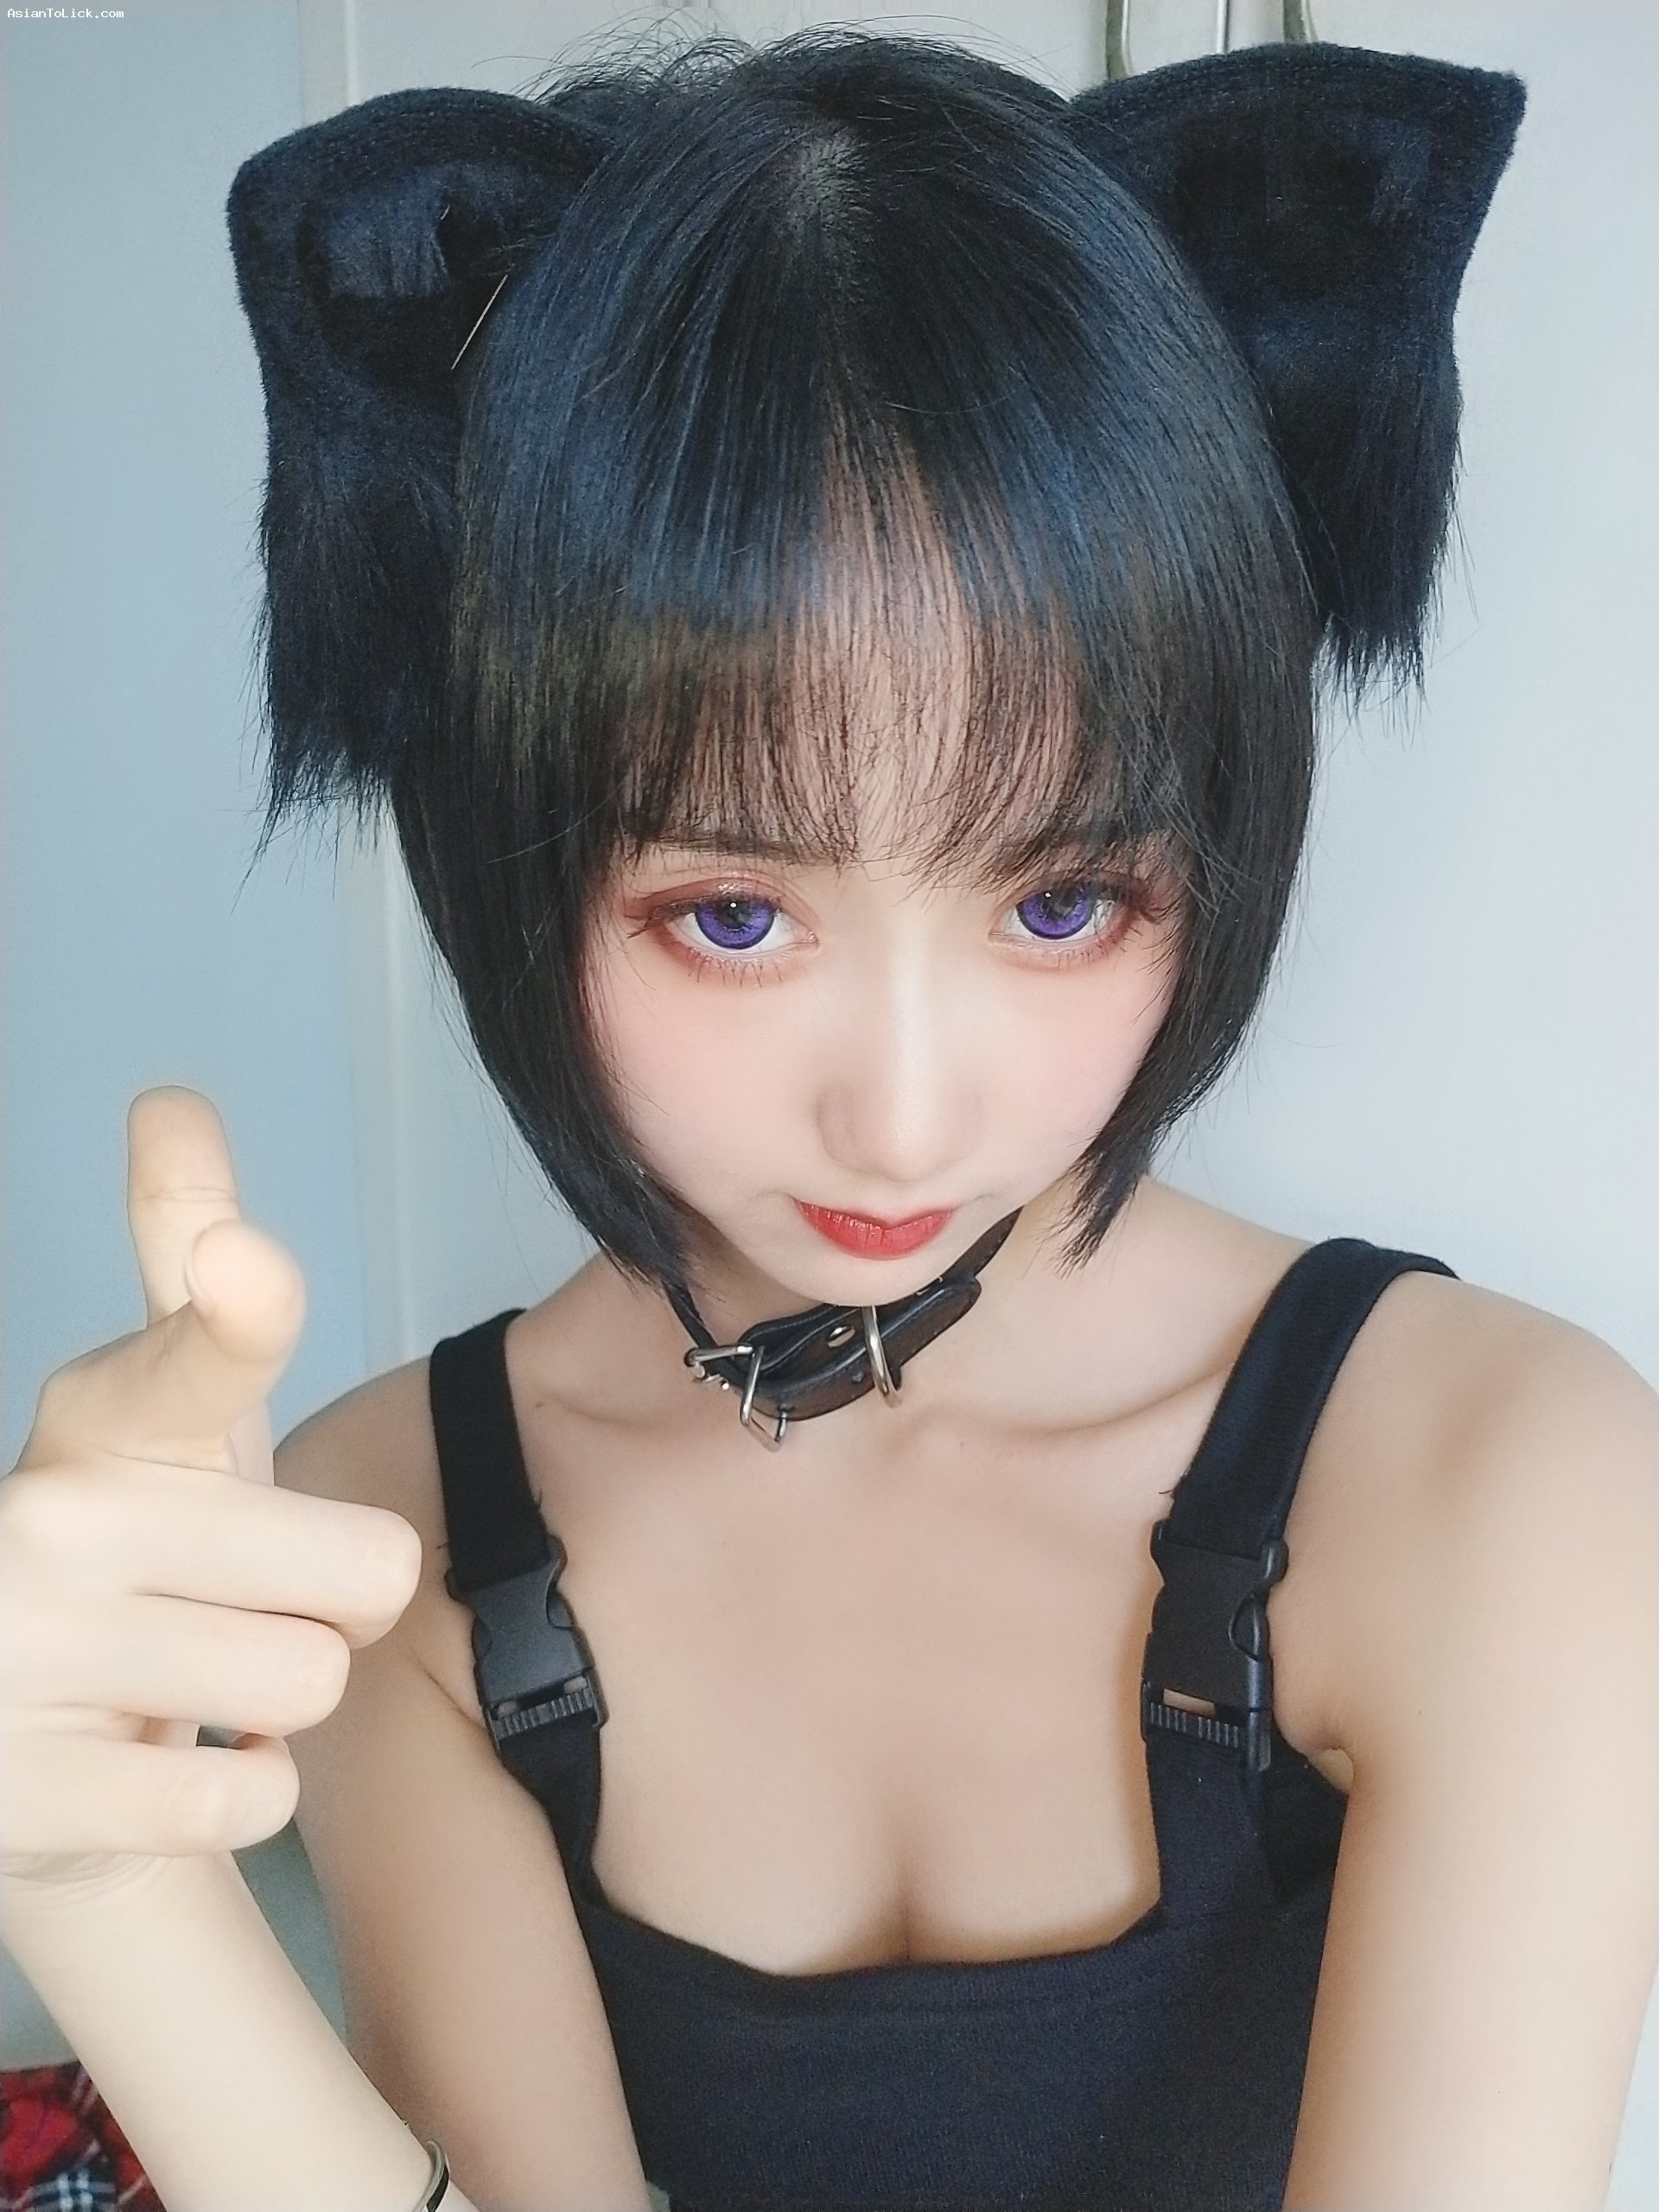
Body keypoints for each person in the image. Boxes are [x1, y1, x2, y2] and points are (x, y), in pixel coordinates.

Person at [3, 24, 1656, 2212]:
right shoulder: (382, 1536)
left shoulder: (1495, 1475)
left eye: (1059, 901)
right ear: (505, 850)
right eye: (734, 914)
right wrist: (102, 1887)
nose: (904, 1112)